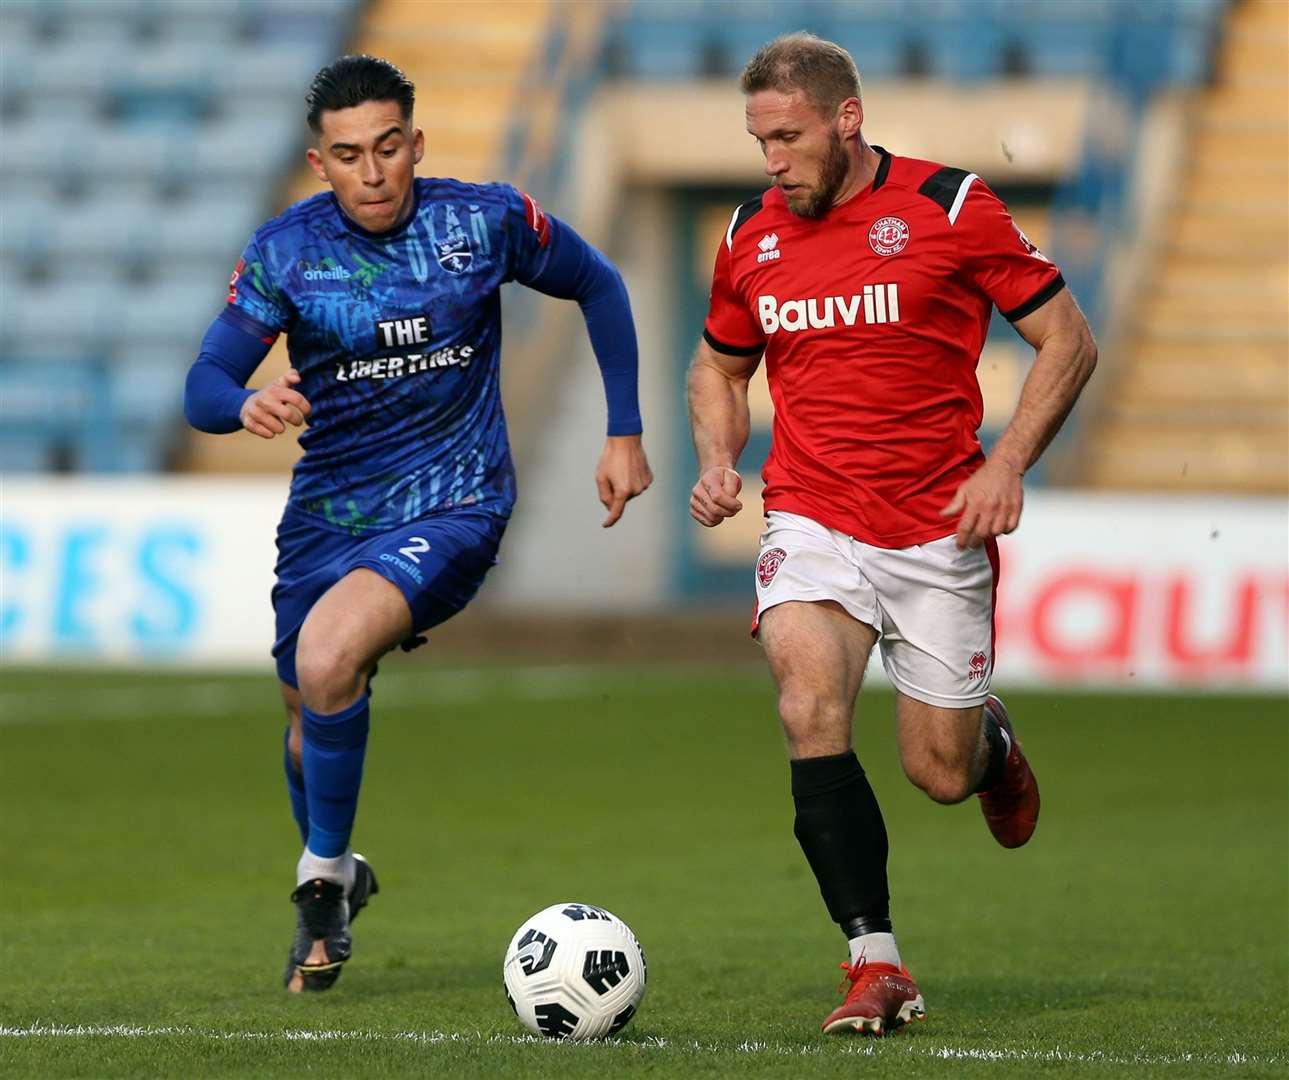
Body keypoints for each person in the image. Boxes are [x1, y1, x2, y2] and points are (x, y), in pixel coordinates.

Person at [184, 55, 652, 992]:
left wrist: (624, 431)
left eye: (389, 148)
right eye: (349, 155)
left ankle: (317, 888)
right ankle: (341, 868)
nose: (373, 172)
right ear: (320, 163)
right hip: (326, 516)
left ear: (415, 145)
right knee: (304, 710)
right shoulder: (285, 253)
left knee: (326, 660)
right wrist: (244, 406)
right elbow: (202, 386)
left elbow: (598, 283)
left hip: (456, 498)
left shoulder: (481, 222)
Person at [687, 33, 1096, 1035]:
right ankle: (875, 963)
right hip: (811, 513)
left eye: (786, 138)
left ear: (845, 119)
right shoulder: (749, 235)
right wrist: (715, 455)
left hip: (934, 528)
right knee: (804, 706)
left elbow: (1067, 341)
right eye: (759, 142)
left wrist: (1004, 465)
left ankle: (988, 745)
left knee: (936, 774)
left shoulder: (949, 208)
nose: (770, 162)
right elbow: (717, 366)